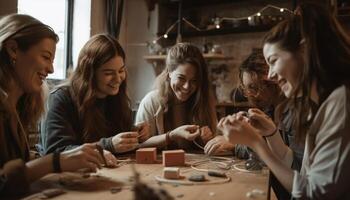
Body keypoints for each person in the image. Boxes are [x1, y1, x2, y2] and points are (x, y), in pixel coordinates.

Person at [219, 2, 350, 199]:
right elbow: (303, 173)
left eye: (273, 61)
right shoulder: (323, 104)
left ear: (304, 51)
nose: (270, 76)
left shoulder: (341, 102)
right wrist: (270, 132)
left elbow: (313, 194)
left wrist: (256, 144)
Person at [0, 14, 104, 196]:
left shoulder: (18, 106)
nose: (51, 69)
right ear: (13, 49)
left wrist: (65, 163)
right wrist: (55, 162)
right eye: (46, 57)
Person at [40, 34, 150, 166]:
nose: (118, 79)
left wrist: (135, 133)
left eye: (121, 71)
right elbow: (56, 152)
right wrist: (107, 145)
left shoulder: (115, 96)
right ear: (89, 73)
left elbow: (114, 137)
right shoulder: (61, 98)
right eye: (108, 73)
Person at [135, 43, 217, 150]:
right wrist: (171, 135)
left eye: (194, 81)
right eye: (181, 78)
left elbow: (217, 143)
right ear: (169, 72)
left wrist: (208, 140)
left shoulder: (204, 100)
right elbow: (138, 145)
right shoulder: (150, 102)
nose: (187, 87)